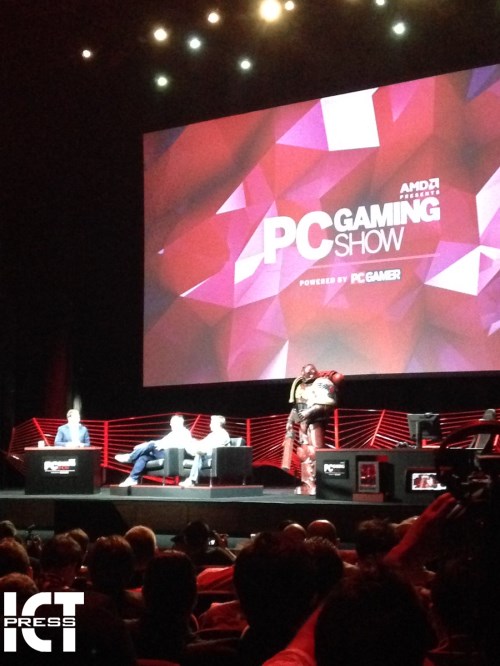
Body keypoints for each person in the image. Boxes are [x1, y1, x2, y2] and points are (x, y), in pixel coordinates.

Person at [283, 363, 344, 495]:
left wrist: (308, 413)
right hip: (303, 423)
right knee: (303, 453)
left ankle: (318, 482)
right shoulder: (301, 385)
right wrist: (290, 420)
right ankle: (307, 483)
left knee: (314, 452)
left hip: (315, 422)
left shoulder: (322, 383)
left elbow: (325, 404)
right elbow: (298, 406)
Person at [115, 413, 193, 486]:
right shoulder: (172, 434)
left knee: (151, 445)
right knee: (143, 457)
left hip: (170, 456)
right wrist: (146, 446)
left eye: (172, 422)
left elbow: (180, 446)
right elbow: (160, 442)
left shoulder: (184, 433)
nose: (170, 424)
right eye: (170, 422)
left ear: (179, 422)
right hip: (161, 453)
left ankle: (130, 457)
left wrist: (162, 446)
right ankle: (132, 479)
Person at [179, 415, 230, 488]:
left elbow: (217, 448)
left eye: (212, 423)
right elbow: (203, 443)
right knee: (197, 450)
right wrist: (194, 442)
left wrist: (202, 449)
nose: (210, 425)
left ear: (218, 424)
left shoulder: (223, 434)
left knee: (199, 454)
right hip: (207, 453)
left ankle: (191, 480)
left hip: (217, 456)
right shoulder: (212, 434)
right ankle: (194, 452)